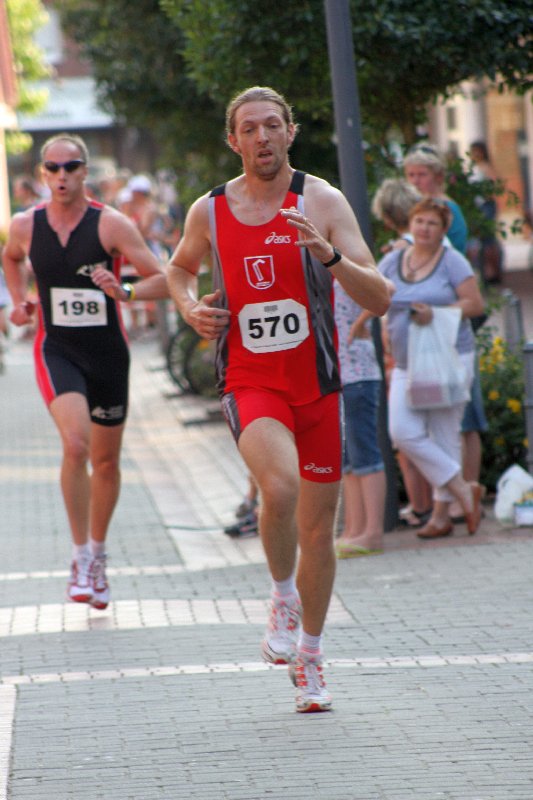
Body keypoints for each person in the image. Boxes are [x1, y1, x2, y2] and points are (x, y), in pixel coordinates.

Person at [167, 86, 390, 713]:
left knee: (319, 531)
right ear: (232, 140)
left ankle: (311, 657)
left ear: (290, 132)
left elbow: (379, 296)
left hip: (317, 387)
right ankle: (282, 593)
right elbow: (179, 269)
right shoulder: (210, 210)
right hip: (250, 379)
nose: (262, 137)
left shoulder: (321, 201)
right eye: (249, 128)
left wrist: (330, 256)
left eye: (272, 125)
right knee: (281, 487)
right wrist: (189, 307)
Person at [2, 133, 168, 610]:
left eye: (70, 166)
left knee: (107, 461)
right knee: (76, 445)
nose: (61, 176)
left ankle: (97, 553)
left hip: (108, 354)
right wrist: (19, 302)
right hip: (57, 348)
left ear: (84, 171)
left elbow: (162, 279)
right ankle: (78, 556)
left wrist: (124, 291)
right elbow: (10, 257)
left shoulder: (111, 224)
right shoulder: (25, 224)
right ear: (42, 174)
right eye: (52, 168)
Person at [379, 197, 485, 540]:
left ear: (443, 230)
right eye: (420, 221)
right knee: (402, 431)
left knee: (444, 433)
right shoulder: (392, 260)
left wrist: (436, 313)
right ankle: (463, 489)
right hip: (406, 362)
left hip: (448, 358)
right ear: (410, 224)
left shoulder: (452, 261)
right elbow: (377, 296)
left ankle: (441, 517)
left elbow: (475, 304)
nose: (424, 228)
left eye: (432, 223)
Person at [403, 147, 489, 516]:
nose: (415, 181)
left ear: (437, 176)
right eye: (410, 175)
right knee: (442, 417)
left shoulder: (444, 212)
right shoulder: (419, 213)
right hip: (431, 328)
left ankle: (466, 491)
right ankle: (454, 495)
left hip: (450, 326)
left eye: (421, 174)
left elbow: (449, 265)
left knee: (464, 415)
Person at [333, 285, 386, 558]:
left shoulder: (345, 266)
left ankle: (373, 532)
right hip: (339, 377)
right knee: (348, 461)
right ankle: (353, 530)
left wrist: (361, 321)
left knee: (364, 455)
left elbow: (386, 288)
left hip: (357, 374)